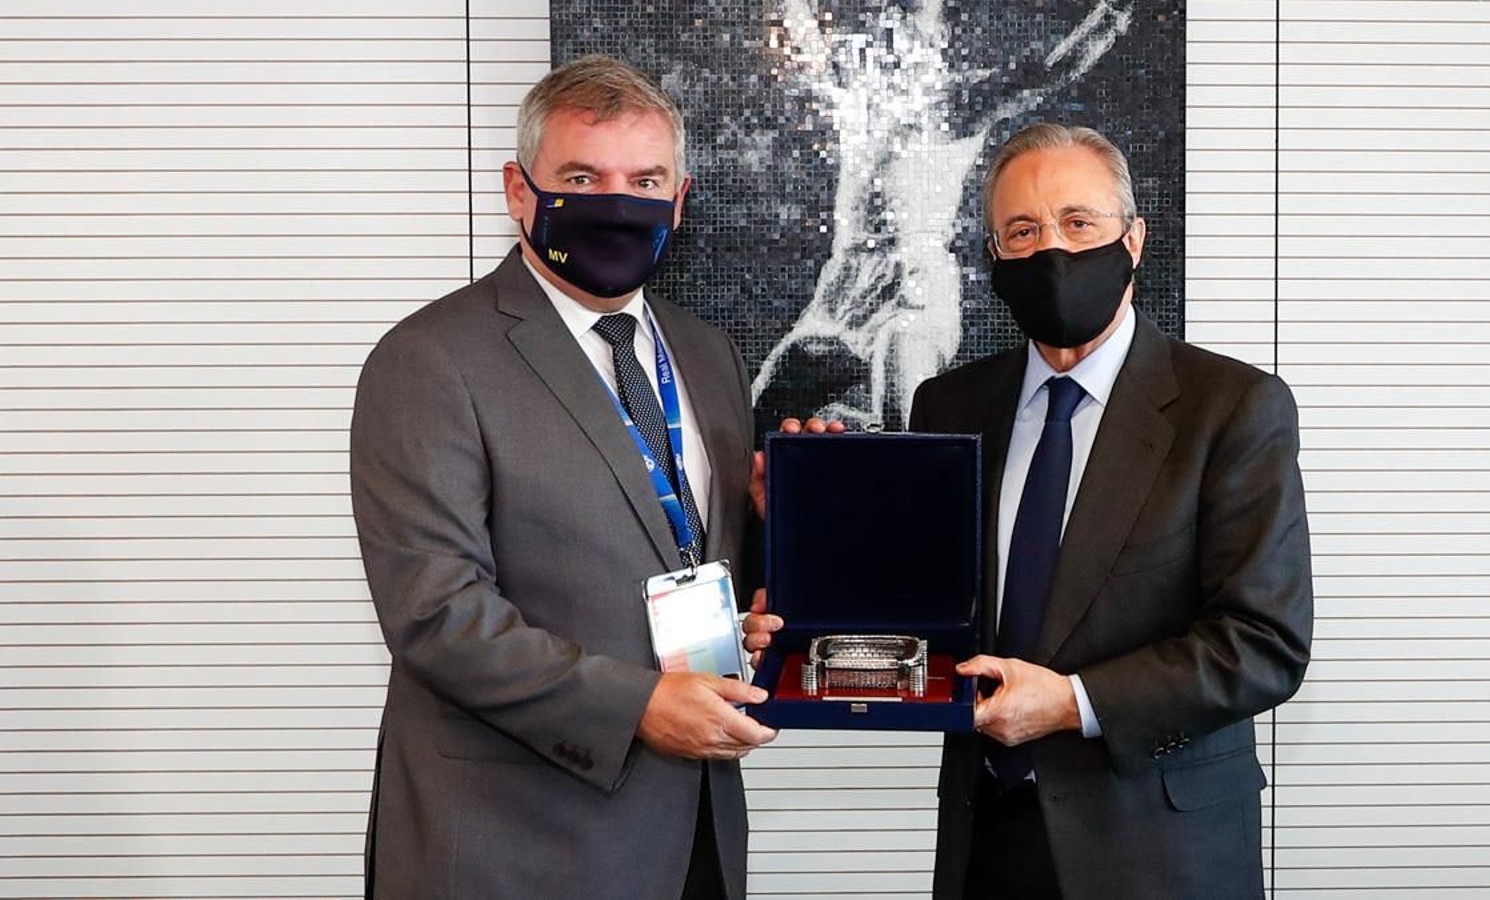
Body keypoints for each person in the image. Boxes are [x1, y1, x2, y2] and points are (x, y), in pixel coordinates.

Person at [744, 123, 1313, 899]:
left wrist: (1074, 703)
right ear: (995, 259)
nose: (1053, 249)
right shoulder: (951, 403)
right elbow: (922, 602)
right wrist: (809, 532)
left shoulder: (1233, 408)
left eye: (1079, 223)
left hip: (1158, 848)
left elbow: (1264, 643)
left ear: (1134, 239)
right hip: (987, 838)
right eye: (1022, 231)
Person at [350, 55, 776, 900]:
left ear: (679, 200)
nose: (617, 203)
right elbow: (437, 615)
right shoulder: (429, 359)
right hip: (512, 845)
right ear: (519, 191)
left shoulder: (707, 354)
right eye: (583, 177)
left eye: (646, 179)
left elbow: (683, 550)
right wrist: (638, 706)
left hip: (693, 832)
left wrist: (767, 557)